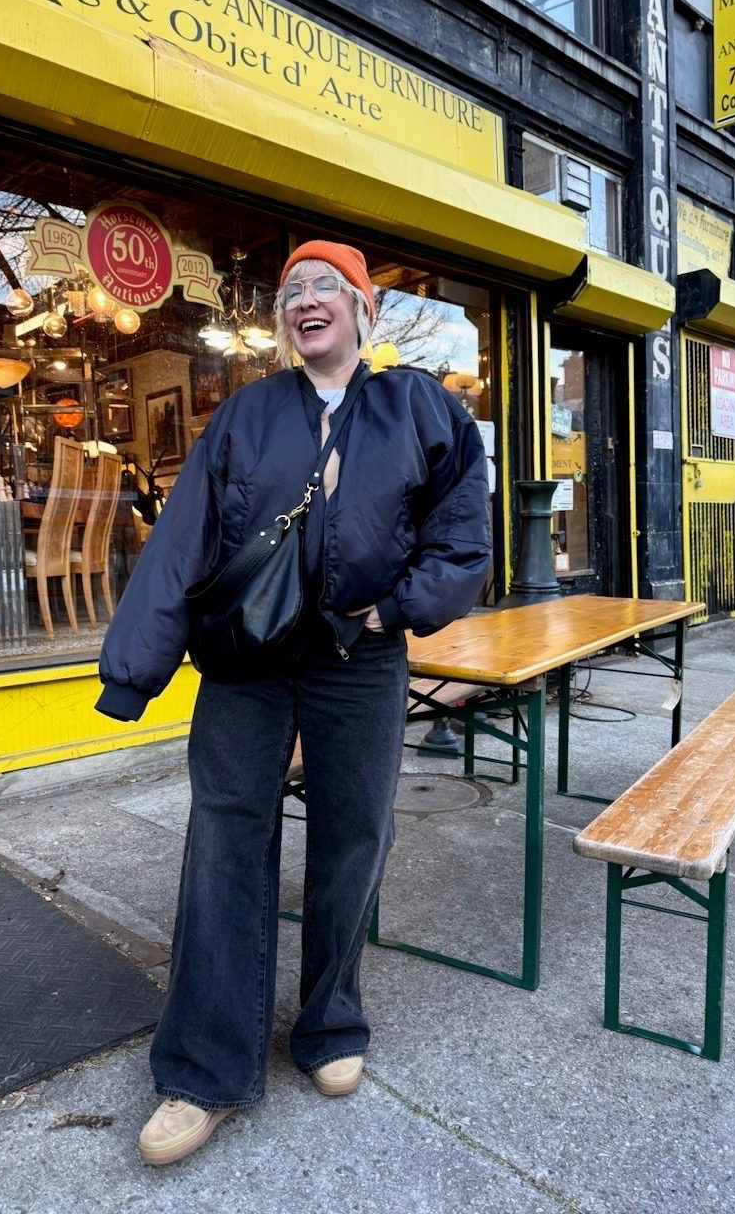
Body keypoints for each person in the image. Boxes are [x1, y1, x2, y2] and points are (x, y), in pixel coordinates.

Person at [95, 239, 490, 1165]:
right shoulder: (246, 416)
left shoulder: (417, 406)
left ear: (363, 311)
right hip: (245, 657)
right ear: (282, 323)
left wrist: (396, 610)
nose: (305, 300)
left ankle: (329, 1023)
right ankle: (202, 1070)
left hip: (362, 656)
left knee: (355, 835)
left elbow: (461, 531)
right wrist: (133, 669)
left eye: (325, 287)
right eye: (290, 292)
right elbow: (183, 541)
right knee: (226, 840)